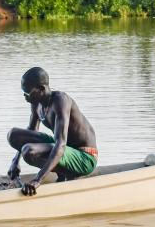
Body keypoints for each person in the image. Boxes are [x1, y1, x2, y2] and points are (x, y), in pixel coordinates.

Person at [6, 67, 98, 196]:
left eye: (28, 93)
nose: (25, 96)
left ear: (42, 89)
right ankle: (61, 172)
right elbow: (31, 133)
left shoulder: (61, 101)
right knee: (13, 135)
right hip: (63, 150)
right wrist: (15, 161)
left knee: (29, 151)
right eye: (23, 92)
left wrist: (38, 180)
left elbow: (60, 144)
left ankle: (69, 173)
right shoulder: (36, 103)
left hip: (84, 157)